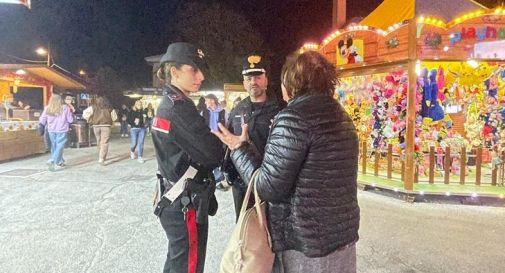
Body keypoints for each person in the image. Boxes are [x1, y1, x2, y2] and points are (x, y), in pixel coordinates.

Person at [213, 51, 360, 272]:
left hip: (306, 243)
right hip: (341, 238)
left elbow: (268, 188)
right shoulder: (340, 115)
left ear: (290, 83)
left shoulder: (292, 117)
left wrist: (239, 148)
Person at [151, 42, 224, 273]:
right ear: (175, 72)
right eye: (193, 69)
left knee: (177, 263)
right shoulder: (178, 108)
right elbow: (213, 154)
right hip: (185, 203)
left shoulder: (170, 104)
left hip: (175, 197)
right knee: (188, 267)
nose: (201, 76)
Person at [223, 54, 285, 221]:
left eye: (258, 77)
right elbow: (229, 143)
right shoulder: (238, 109)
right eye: (248, 78)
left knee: (270, 233)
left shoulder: (281, 110)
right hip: (242, 186)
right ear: (243, 82)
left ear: (266, 80)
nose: (253, 82)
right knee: (244, 231)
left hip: (270, 184)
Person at [39, 94, 74, 171]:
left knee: (54, 146)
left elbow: (42, 119)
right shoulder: (65, 108)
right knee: (60, 146)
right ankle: (52, 160)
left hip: (51, 130)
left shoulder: (47, 108)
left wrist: (41, 126)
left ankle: (59, 161)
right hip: (62, 129)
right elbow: (70, 120)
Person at [202, 93, 227, 190]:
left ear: (212, 100)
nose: (205, 102)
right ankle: (213, 177)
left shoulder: (223, 112)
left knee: (219, 157)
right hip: (207, 138)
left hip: (219, 139)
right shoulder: (204, 112)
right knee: (209, 157)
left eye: (206, 100)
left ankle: (219, 178)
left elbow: (228, 124)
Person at [87, 96, 114, 165]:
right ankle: (101, 158)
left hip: (96, 126)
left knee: (99, 141)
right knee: (104, 142)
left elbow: (85, 114)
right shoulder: (109, 108)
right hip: (106, 126)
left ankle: (100, 155)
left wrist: (90, 120)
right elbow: (114, 117)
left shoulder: (93, 107)